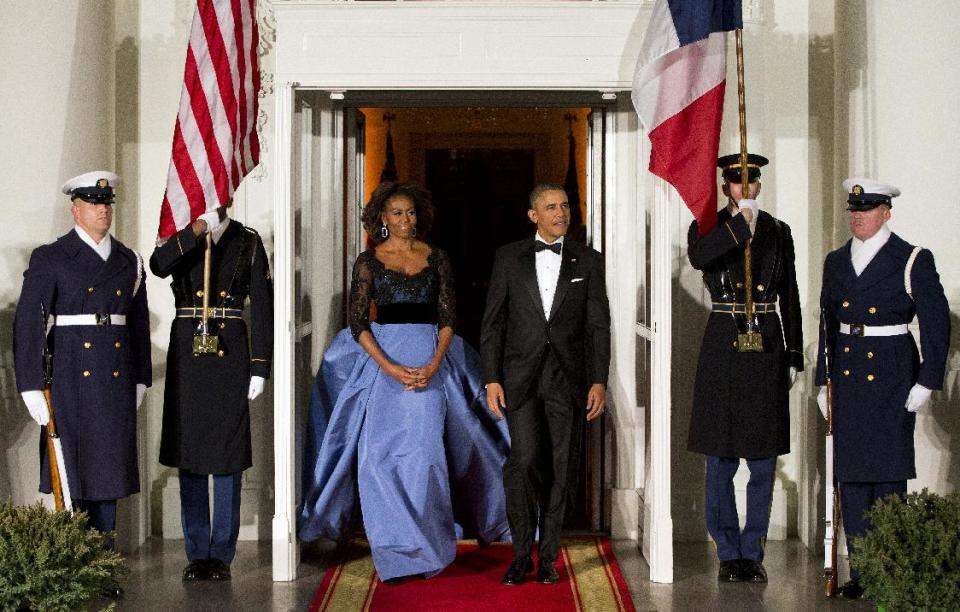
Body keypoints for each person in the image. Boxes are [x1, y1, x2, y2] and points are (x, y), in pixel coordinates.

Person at [298, 182, 510, 584]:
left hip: (432, 358)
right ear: (382, 218)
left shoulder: (437, 258)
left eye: (411, 212)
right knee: (379, 459)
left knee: (426, 456)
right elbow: (358, 321)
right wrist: (390, 368)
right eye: (397, 213)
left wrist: (433, 362)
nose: (405, 220)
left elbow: (450, 318)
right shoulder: (368, 261)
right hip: (383, 363)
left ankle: (429, 546)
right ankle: (395, 549)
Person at [814, 178, 949, 599]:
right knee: (850, 475)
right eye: (854, 209)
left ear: (886, 212)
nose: (858, 215)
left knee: (887, 474)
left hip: (892, 372)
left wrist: (928, 379)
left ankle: (888, 569)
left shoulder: (910, 259)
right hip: (850, 372)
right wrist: (824, 379)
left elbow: (936, 321)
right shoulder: (836, 261)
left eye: (868, 208)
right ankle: (863, 571)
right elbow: (826, 323)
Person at [14, 172, 151, 573]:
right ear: (76, 210)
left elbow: (137, 325)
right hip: (72, 377)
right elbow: (29, 323)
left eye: (107, 203)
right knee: (72, 476)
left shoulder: (129, 260)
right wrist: (31, 385)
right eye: (94, 203)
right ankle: (76, 567)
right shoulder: (51, 257)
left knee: (108, 478)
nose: (103, 210)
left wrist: (141, 376)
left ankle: (104, 565)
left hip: (115, 379)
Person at [480, 183, 610, 586]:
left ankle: (549, 556)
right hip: (519, 378)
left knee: (561, 468)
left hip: (568, 380)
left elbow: (597, 325)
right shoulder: (508, 258)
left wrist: (599, 381)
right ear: (533, 215)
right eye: (551, 207)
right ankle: (521, 555)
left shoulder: (588, 261)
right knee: (523, 461)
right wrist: (491, 378)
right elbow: (494, 323)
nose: (561, 213)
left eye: (565, 206)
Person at [686, 154, 803, 584]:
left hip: (766, 340)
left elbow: (788, 292)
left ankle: (753, 551)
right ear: (724, 187)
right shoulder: (708, 226)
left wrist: (794, 353)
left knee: (763, 455)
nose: (746, 189)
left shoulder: (778, 231)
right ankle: (727, 551)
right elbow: (702, 259)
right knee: (721, 455)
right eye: (737, 183)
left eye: (752, 182)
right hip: (724, 340)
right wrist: (740, 226)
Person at [149, 199, 273, 582]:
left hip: (230, 350)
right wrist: (195, 231)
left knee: (227, 453)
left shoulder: (248, 241)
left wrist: (260, 366)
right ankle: (197, 552)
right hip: (189, 350)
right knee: (191, 451)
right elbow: (157, 265)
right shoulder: (183, 238)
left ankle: (221, 554)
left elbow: (263, 307)